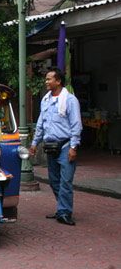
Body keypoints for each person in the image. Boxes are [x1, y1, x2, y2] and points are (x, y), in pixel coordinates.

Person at [30, 68, 82, 226]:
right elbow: (41, 124)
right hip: (50, 146)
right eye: (46, 79)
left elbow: (76, 125)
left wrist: (74, 147)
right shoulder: (45, 100)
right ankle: (62, 208)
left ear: (58, 81)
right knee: (54, 180)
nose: (46, 82)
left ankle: (64, 212)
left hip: (66, 145)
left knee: (66, 181)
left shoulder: (70, 100)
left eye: (49, 79)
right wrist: (34, 143)